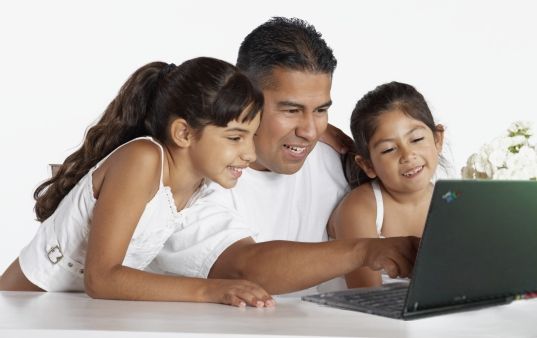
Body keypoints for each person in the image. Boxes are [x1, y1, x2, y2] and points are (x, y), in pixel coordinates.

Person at [148, 17, 420, 295]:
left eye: (320, 110)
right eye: (291, 110)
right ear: (245, 99)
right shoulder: (195, 176)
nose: (310, 131)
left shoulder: (337, 158)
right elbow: (242, 269)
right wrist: (365, 250)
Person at [0, 57, 274, 308]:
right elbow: (102, 279)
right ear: (183, 133)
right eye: (235, 137)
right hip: (22, 312)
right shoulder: (142, 160)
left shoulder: (200, 186)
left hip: (74, 314)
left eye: (252, 136)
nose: (250, 154)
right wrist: (210, 291)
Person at [328, 81, 445, 288]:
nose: (408, 155)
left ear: (438, 140)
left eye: (416, 139)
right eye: (389, 149)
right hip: (365, 317)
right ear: (368, 165)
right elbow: (365, 295)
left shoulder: (448, 201)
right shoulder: (360, 208)